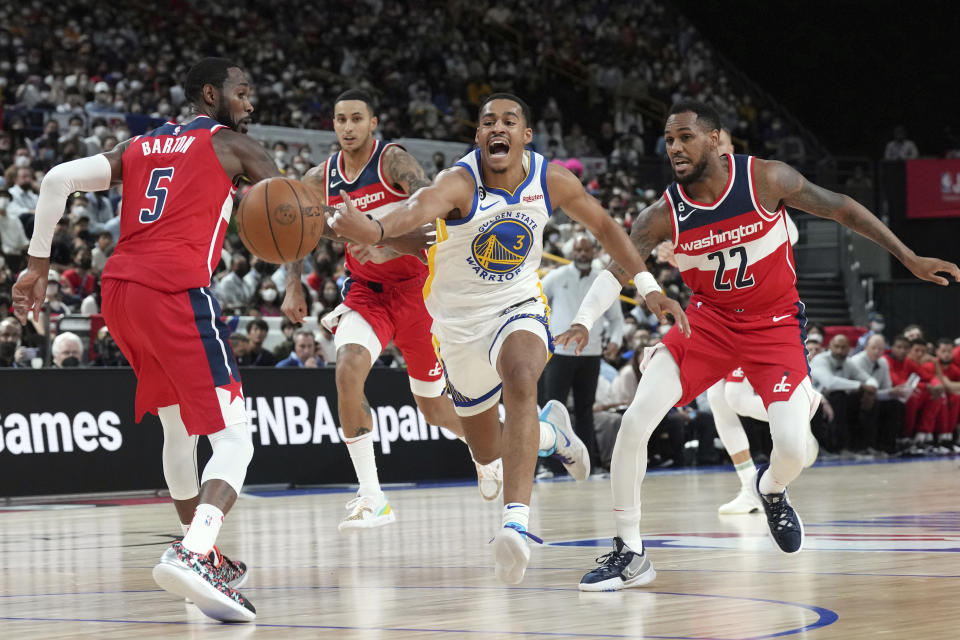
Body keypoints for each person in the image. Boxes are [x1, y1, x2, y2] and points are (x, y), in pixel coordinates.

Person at [555, 100, 959, 591]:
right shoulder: (662, 213)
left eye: (685, 137)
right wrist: (580, 320)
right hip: (707, 324)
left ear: (714, 139)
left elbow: (843, 209)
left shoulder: (767, 179)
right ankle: (630, 551)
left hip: (775, 326)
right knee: (636, 420)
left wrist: (909, 257)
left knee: (792, 447)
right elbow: (615, 268)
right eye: (669, 140)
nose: (675, 147)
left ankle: (769, 489)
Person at [327, 92, 655, 584]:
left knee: (523, 376)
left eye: (509, 120)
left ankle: (515, 526)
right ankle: (552, 434)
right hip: (457, 326)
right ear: (478, 136)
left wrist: (649, 288)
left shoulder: (551, 179)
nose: (496, 127)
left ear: (525, 135)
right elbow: (416, 208)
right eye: (486, 122)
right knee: (490, 449)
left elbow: (607, 226)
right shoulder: (458, 181)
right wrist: (373, 228)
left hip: (518, 305)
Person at [12, 57, 290, 623]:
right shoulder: (232, 145)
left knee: (176, 425)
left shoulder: (141, 145)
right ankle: (191, 552)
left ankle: (201, 550)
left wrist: (37, 265)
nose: (250, 103)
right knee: (236, 439)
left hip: (119, 291)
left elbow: (56, 179)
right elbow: (299, 205)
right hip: (174, 289)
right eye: (242, 92)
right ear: (211, 94)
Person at [283, 89, 504, 529]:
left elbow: (436, 222)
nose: (348, 127)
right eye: (340, 119)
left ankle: (486, 449)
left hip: (420, 292)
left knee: (436, 409)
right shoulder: (318, 177)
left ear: (373, 123)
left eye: (356, 119)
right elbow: (298, 228)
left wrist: (376, 236)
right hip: (367, 294)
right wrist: (293, 285)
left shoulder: (394, 163)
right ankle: (372, 497)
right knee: (346, 368)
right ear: (333, 125)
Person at [540, 234, 624, 473]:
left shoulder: (603, 281)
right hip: (560, 353)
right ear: (571, 252)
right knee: (552, 407)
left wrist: (616, 340)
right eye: (578, 250)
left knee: (586, 410)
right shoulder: (557, 277)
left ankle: (590, 463)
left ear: (594, 252)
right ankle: (547, 465)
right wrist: (544, 336)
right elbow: (537, 303)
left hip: (591, 353)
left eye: (587, 250)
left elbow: (616, 320)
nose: (583, 254)